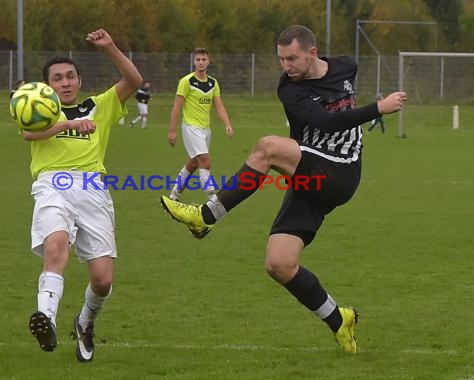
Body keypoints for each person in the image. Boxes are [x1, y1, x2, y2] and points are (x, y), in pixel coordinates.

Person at [160, 25, 406, 353]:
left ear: (312, 53)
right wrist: (379, 108)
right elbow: (325, 123)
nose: (286, 66)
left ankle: (205, 216)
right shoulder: (289, 89)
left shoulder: (347, 65)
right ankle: (339, 319)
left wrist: (375, 108)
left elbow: (335, 115)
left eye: (292, 58)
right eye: (281, 59)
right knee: (279, 263)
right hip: (313, 173)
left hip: (342, 170)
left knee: (267, 147)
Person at [22, 29, 142, 362]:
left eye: (70, 76)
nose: (65, 82)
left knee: (102, 281)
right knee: (55, 244)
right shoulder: (43, 111)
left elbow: (134, 81)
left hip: (93, 190)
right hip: (52, 185)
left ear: (79, 80)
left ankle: (84, 322)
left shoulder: (98, 106)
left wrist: (111, 47)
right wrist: (66, 126)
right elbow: (27, 132)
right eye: (57, 78)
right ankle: (45, 316)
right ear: (48, 86)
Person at [167, 47, 234, 201]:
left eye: (204, 59)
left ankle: (173, 196)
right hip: (191, 127)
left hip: (206, 130)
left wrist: (227, 124)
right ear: (194, 61)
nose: (201, 62)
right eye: (198, 59)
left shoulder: (213, 83)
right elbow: (177, 106)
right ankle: (213, 199)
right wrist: (172, 131)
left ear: (208, 61)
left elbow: (219, 106)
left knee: (193, 164)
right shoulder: (186, 81)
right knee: (205, 160)